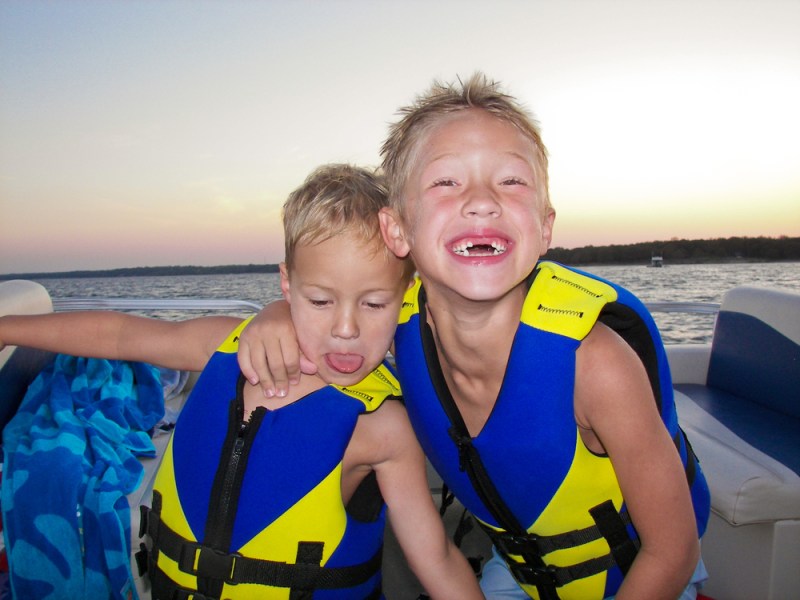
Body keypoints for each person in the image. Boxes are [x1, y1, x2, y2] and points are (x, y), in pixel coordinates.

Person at [236, 75, 711, 600]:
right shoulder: (393, 325)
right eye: (446, 183)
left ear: (545, 225)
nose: (482, 202)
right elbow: (332, 305)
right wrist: (278, 313)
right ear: (398, 231)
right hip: (518, 573)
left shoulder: (595, 366)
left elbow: (672, 551)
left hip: (640, 576)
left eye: (511, 182)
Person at [0, 164, 484, 600]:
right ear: (287, 286)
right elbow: (123, 333)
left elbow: (436, 558)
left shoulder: (385, 426)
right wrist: (6, 329)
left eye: (374, 304)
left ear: (405, 298)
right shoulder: (226, 348)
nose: (346, 328)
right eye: (320, 301)